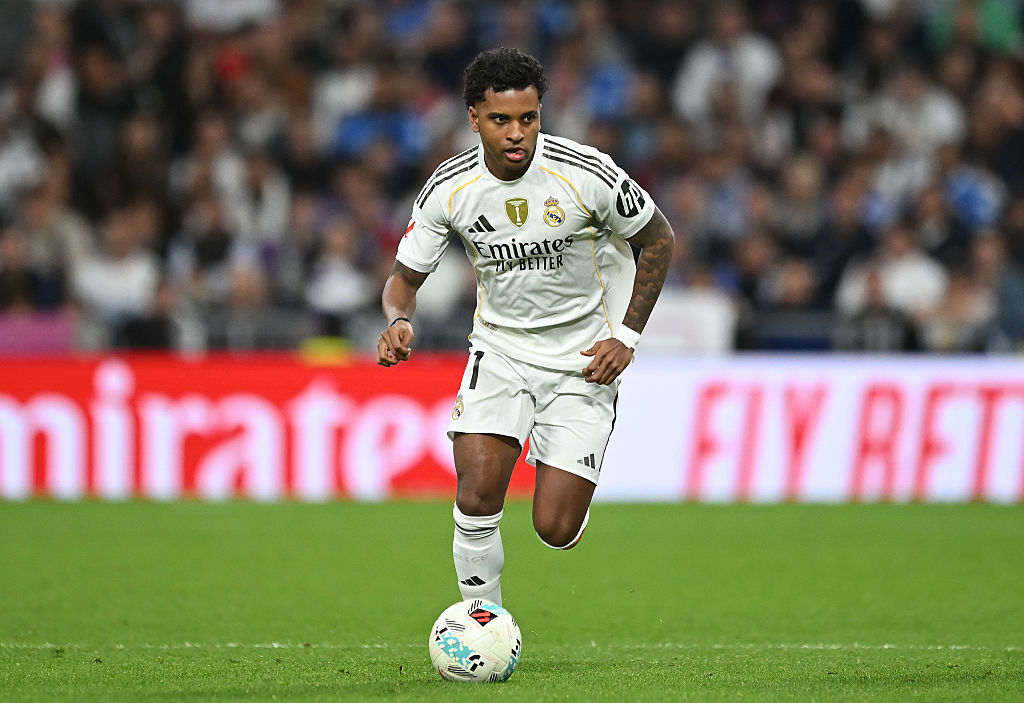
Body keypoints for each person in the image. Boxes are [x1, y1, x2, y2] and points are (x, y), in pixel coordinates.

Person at [377, 47, 674, 606]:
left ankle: (567, 490)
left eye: (528, 118)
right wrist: (398, 320)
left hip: (584, 358)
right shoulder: (449, 188)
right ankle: (479, 621)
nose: (517, 133)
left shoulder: (587, 174)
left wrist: (627, 337)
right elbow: (402, 279)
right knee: (477, 493)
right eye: (500, 120)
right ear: (473, 118)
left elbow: (659, 239)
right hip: (500, 351)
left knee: (554, 529)